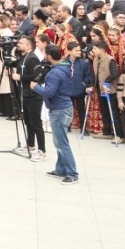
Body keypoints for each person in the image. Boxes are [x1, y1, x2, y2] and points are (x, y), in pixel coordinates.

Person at [32, 42, 80, 184]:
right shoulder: (65, 66)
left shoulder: (54, 73)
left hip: (59, 110)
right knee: (59, 141)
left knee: (62, 143)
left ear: (50, 57)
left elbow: (49, 92)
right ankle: (60, 169)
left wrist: (36, 87)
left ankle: (72, 173)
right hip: (64, 107)